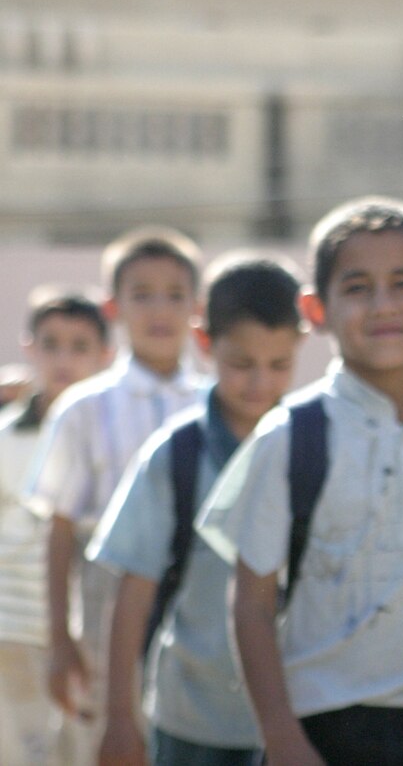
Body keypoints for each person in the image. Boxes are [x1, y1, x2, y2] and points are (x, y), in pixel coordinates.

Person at [196, 196, 403, 766]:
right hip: (322, 726)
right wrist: (282, 738)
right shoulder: (290, 435)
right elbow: (251, 603)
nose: (383, 305)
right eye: (358, 287)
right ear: (316, 311)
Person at [87, 255, 306, 766]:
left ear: (300, 346)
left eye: (278, 365)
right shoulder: (176, 455)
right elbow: (133, 591)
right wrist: (120, 716)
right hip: (189, 714)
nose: (259, 383)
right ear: (204, 343)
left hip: (293, 714)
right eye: (241, 364)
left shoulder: (313, 446)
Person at [26, 226, 205, 766]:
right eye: (142, 293)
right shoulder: (84, 408)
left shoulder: (215, 405)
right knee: (108, 737)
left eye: (175, 294)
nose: (160, 309)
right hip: (106, 602)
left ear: (196, 307)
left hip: (197, 601)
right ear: (113, 306)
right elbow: (59, 527)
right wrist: (61, 640)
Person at [0, 291, 111, 766]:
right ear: (30, 348)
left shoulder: (110, 433)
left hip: (86, 630)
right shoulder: (6, 435)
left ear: (105, 355)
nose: (64, 359)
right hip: (14, 628)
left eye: (80, 346)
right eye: (51, 344)